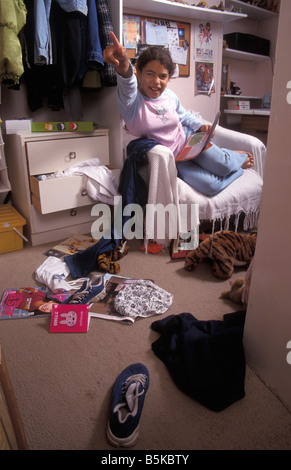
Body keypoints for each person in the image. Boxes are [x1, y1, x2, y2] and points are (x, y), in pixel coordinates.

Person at [103, 32, 254, 197]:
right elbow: (127, 82)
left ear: (168, 79)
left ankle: (230, 157)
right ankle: (237, 165)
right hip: (177, 160)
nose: (156, 81)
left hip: (189, 141)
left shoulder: (170, 97)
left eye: (163, 76)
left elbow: (184, 116)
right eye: (150, 74)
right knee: (211, 186)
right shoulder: (132, 104)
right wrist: (123, 62)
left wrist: (200, 126)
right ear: (138, 73)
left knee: (223, 166)